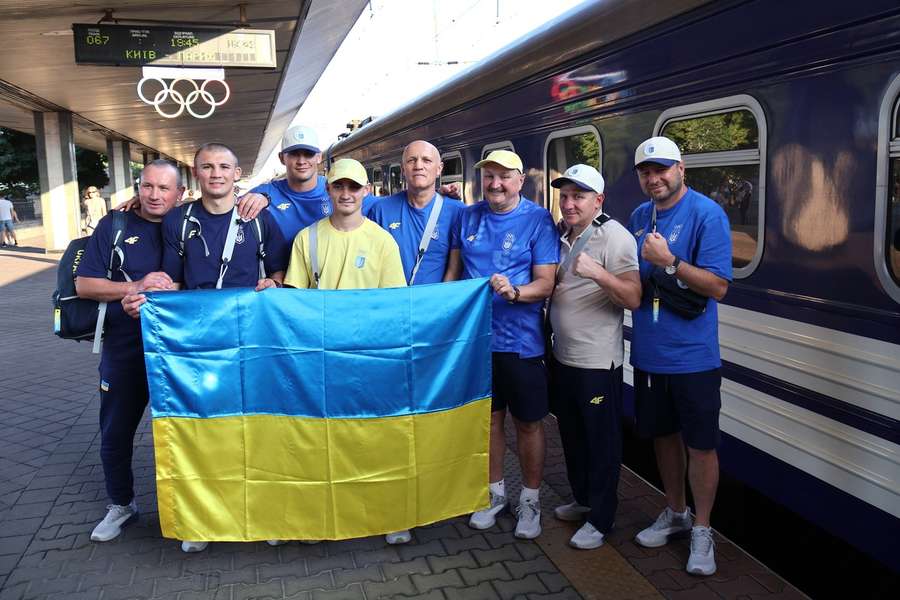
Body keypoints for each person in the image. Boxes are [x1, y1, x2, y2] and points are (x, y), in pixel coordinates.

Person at [159, 143, 289, 553]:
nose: (216, 174)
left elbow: (280, 270)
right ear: (195, 174)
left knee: (256, 426)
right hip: (199, 342)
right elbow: (173, 282)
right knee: (204, 429)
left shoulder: (257, 217)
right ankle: (203, 519)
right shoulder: (179, 221)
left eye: (224, 167)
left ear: (238, 173)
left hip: (252, 339)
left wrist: (275, 282)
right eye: (207, 167)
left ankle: (266, 512)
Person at [627, 136, 731, 576]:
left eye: (662, 169)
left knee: (701, 445)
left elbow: (718, 287)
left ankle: (703, 530)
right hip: (650, 355)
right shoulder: (637, 216)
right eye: (646, 172)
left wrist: (669, 262)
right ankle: (675, 512)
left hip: (694, 358)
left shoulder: (708, 214)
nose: (655, 178)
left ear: (681, 168)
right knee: (663, 438)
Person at [74, 160, 184, 542]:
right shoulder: (114, 225)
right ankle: (121, 505)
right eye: (148, 186)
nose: (155, 195)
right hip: (125, 348)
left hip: (179, 350)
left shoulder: (190, 223)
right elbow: (85, 284)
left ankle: (191, 511)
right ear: (139, 187)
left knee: (187, 431)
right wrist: (133, 287)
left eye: (164, 188)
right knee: (115, 431)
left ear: (180, 194)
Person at [453, 150, 559, 539]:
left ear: (520, 181)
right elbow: (454, 272)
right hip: (477, 341)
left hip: (521, 343)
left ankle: (530, 501)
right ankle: (494, 494)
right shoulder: (467, 215)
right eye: (489, 176)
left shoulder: (537, 219)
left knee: (528, 423)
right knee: (489, 420)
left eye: (504, 177)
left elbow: (546, 282)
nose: (495, 184)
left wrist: (515, 292)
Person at [547, 164, 641, 550]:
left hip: (597, 363)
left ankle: (601, 519)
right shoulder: (562, 234)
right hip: (563, 356)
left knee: (601, 442)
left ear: (598, 200)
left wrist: (598, 274)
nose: (569, 203)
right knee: (571, 434)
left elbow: (633, 297)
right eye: (565, 196)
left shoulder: (614, 236)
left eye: (578, 196)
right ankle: (583, 499)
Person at [284, 157, 405, 291]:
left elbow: (393, 300)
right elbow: (296, 299)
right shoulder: (305, 239)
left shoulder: (384, 242)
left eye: (354, 187)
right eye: (338, 187)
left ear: (366, 190)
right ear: (328, 189)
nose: (346, 195)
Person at [367, 140, 465, 285]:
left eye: (427, 160)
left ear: (439, 169)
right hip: (392, 303)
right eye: (411, 160)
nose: (419, 166)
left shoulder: (457, 211)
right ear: (402, 169)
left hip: (434, 304)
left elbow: (455, 269)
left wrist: (441, 304)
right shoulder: (380, 210)